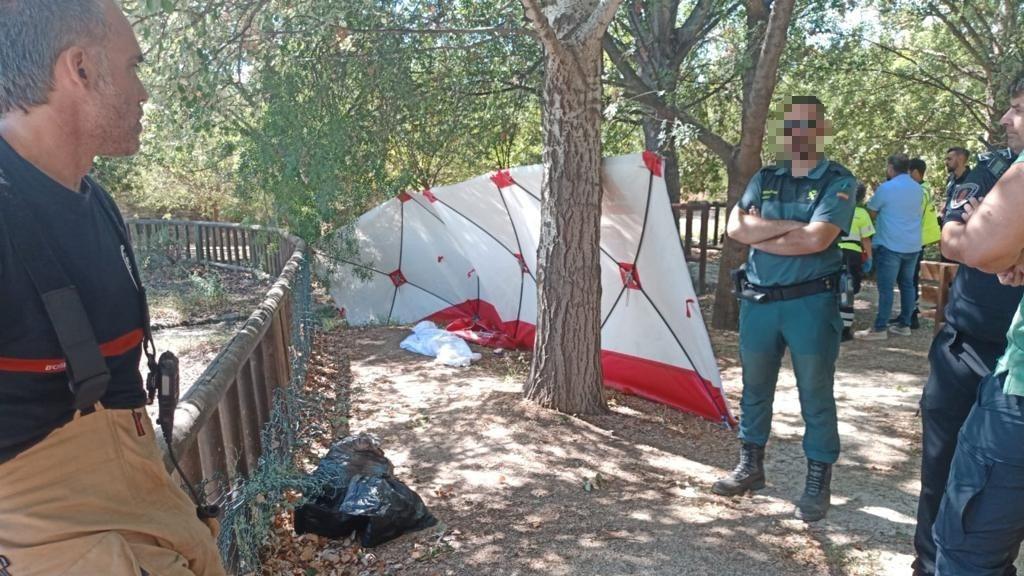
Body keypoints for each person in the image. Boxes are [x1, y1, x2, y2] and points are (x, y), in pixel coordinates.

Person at [0, 2, 225, 575]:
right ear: (79, 68)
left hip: (147, 496)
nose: (144, 92)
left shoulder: (95, 201)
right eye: (132, 67)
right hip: (59, 538)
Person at [713, 95, 856, 523]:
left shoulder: (838, 180)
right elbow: (735, 228)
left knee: (815, 393)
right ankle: (750, 465)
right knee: (755, 390)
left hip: (811, 304)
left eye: (807, 125)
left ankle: (817, 481)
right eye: (791, 125)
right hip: (759, 303)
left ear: (820, 130)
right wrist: (798, 225)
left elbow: (818, 240)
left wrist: (766, 233)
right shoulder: (766, 176)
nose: (798, 134)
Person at [910, 142, 1024, 574]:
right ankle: (927, 563)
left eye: (1018, 109)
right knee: (942, 474)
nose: (1007, 121)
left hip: (1013, 370)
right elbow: (953, 239)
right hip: (968, 349)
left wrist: (992, 238)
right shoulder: (991, 167)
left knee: (984, 526)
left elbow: (976, 242)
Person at [855, 154, 923, 340]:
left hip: (891, 244)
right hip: (913, 244)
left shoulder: (886, 188)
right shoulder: (917, 188)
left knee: (886, 288)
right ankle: (905, 324)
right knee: (908, 285)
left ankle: (880, 328)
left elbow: (871, 212)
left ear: (891, 167)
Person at [899, 157, 941, 329]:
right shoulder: (924, 189)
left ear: (914, 172)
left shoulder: (919, 192)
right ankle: (908, 314)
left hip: (914, 241)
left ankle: (910, 316)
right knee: (907, 279)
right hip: (916, 239)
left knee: (908, 279)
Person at [838, 183, 875, 341]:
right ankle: (845, 330)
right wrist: (870, 257)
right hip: (853, 254)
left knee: (834, 289)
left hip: (835, 252)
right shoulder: (861, 213)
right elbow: (866, 239)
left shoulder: (837, 209)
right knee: (849, 290)